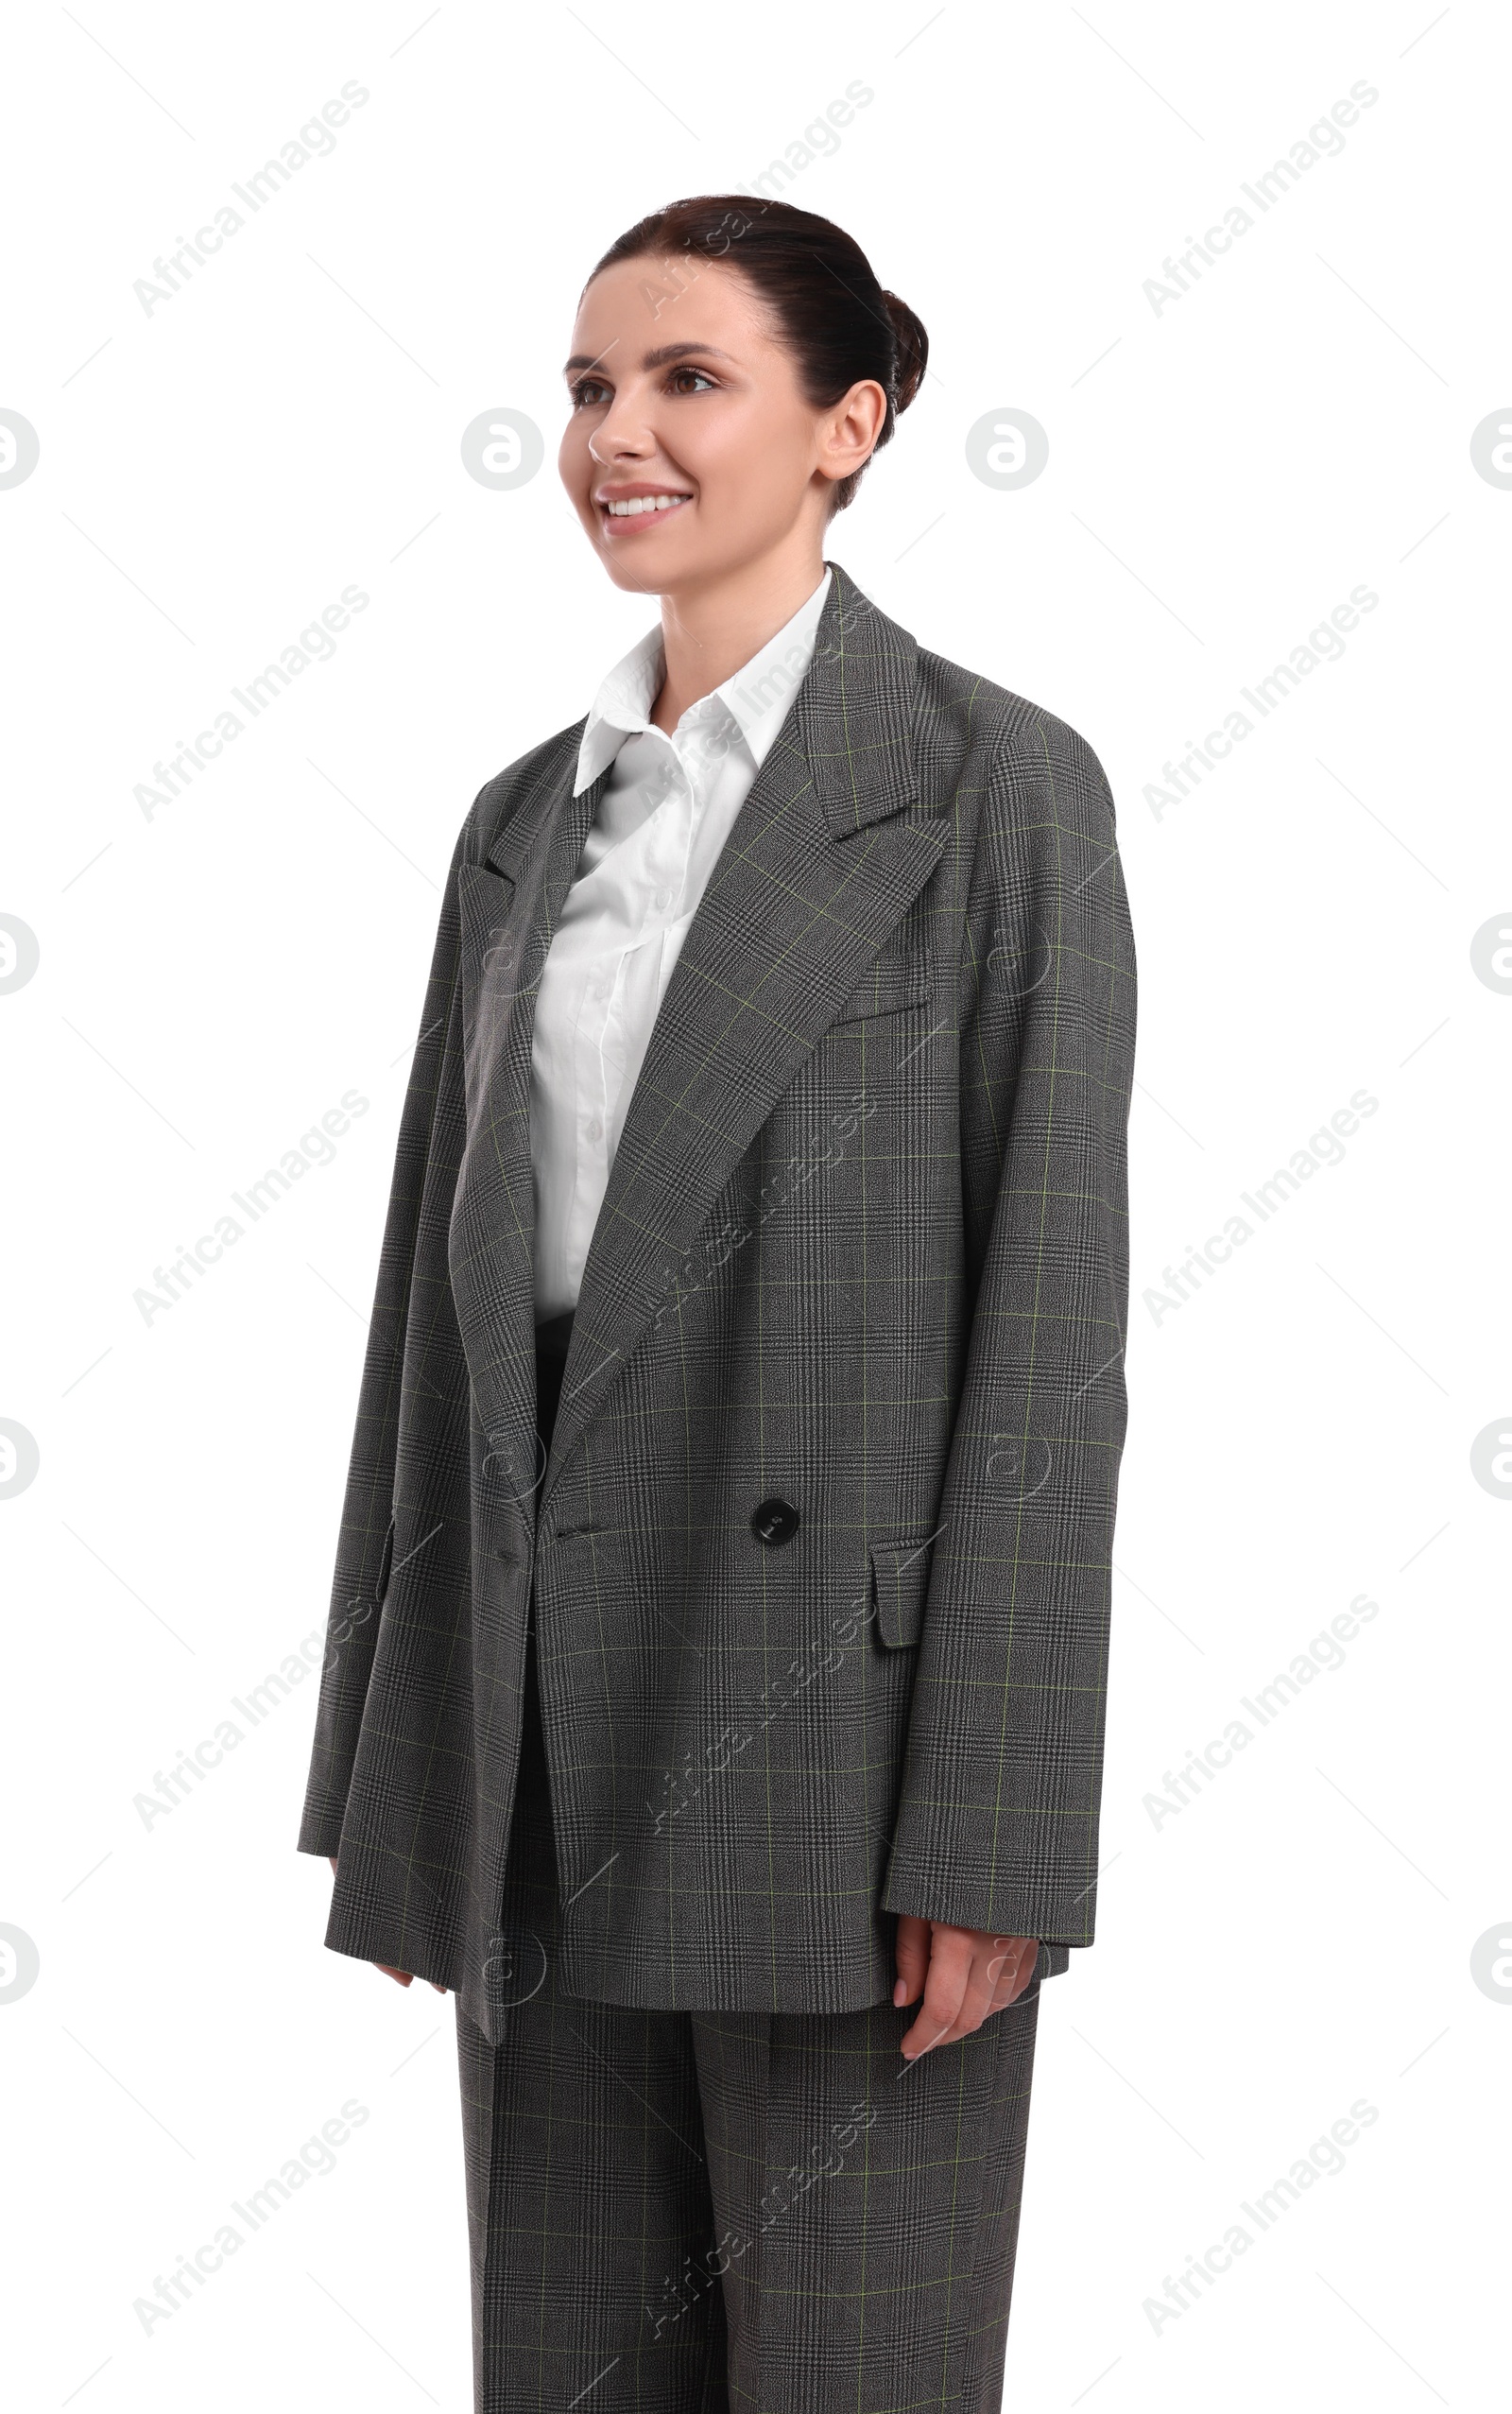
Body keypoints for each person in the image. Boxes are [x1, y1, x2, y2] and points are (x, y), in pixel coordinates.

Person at [301, 193, 1136, 2411]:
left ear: (848, 426)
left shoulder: (988, 789)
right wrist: (404, 1777)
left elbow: (1049, 1349)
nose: (613, 433)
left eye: (687, 380)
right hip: (546, 1741)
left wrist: (997, 1830)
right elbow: (428, 1322)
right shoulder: (520, 822)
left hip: (847, 1779)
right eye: (588, 384)